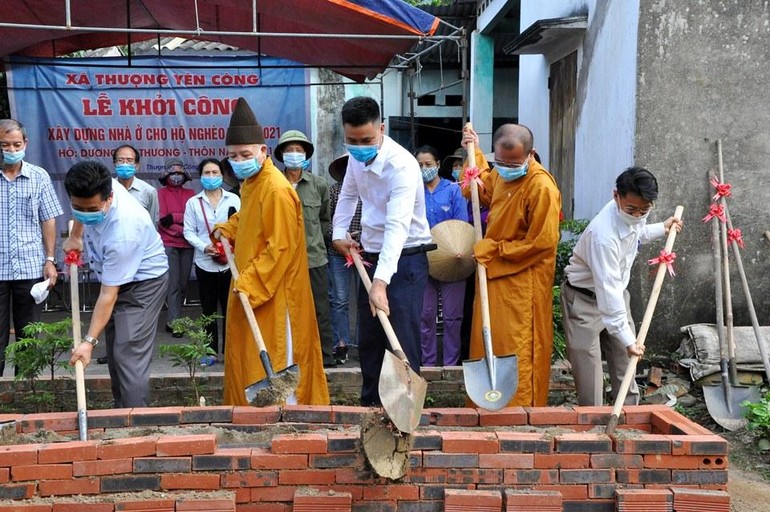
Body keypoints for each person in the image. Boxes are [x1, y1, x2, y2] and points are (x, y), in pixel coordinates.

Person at [213, 97, 329, 406]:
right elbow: (250, 220)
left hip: (275, 294)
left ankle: (284, 418)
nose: (239, 160)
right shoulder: (253, 182)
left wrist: (249, 283)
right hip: (253, 287)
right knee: (248, 354)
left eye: (246, 154)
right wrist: (227, 229)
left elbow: (279, 248)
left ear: (263, 151)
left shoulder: (276, 189)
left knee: (278, 354)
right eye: (233, 156)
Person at [331, 96, 433, 407]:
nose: (359, 146)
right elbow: (348, 195)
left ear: (382, 129)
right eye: (352, 140)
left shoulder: (401, 165)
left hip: (406, 259)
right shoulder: (354, 159)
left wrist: (381, 283)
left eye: (366, 139)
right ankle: (372, 408)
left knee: (400, 337)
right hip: (371, 256)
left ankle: (404, 410)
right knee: (371, 341)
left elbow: (397, 227)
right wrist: (338, 235)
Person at [562, 167, 683, 406]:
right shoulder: (603, 237)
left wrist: (662, 228)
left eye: (644, 210)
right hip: (584, 301)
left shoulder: (633, 214)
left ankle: (629, 417)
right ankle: (593, 422)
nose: (637, 215)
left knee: (626, 362)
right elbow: (608, 295)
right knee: (589, 367)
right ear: (616, 196)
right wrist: (629, 340)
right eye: (632, 209)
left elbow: (635, 232)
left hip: (616, 295)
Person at [460, 124, 561, 407]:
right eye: (500, 163)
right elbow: (479, 190)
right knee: (488, 340)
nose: (505, 169)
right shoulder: (502, 173)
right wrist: (474, 153)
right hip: (493, 275)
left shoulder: (541, 187)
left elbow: (542, 243)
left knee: (518, 348)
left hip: (521, 280)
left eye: (513, 164)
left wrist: (493, 250)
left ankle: (520, 411)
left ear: (531, 155)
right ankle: (485, 407)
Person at [66, 161, 168, 408]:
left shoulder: (125, 229)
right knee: (115, 354)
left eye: (92, 209)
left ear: (109, 198)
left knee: (127, 353)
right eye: (78, 208)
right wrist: (75, 235)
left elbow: (108, 296)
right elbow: (82, 210)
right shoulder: (97, 183)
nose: (84, 213)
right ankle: (121, 414)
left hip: (143, 284)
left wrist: (88, 342)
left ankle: (137, 424)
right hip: (113, 277)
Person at [0, 119, 63, 376]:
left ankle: (25, 389)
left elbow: (48, 219)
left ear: (26, 143)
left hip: (30, 266)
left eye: (16, 144)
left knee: (29, 335)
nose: (12, 149)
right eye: (5, 145)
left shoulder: (39, 176)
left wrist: (50, 259)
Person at [274, 130, 336, 368]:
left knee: (320, 308)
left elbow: (323, 219)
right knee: (285, 312)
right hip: (282, 261)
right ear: (281, 154)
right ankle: (290, 358)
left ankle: (325, 357)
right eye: (289, 150)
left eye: (299, 150)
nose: (294, 155)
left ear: (306, 155)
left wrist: (312, 242)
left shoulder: (319, 185)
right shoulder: (274, 184)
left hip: (313, 258)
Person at [415, 145, 469, 366]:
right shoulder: (413, 191)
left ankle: (451, 364)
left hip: (453, 259)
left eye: (428, 164)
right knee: (424, 315)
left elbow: (462, 225)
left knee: (452, 317)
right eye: (419, 165)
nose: (424, 168)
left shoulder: (453, 190)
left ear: (437, 165)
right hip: (422, 260)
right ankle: (427, 364)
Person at [183, 158, 241, 363]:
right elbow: (188, 232)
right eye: (207, 173)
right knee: (208, 309)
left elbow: (241, 228)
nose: (211, 177)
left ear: (222, 175)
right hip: (204, 262)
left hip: (230, 263)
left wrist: (231, 248)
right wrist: (204, 246)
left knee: (230, 309)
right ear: (200, 176)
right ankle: (210, 352)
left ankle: (231, 351)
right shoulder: (193, 203)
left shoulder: (234, 200)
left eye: (215, 173)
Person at [325, 155, 363, 364]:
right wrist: (339, 237)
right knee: (339, 299)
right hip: (339, 251)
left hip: (365, 250)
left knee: (364, 298)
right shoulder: (334, 191)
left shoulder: (370, 190)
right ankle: (341, 343)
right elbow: (326, 221)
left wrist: (362, 237)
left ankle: (361, 344)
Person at [158, 158, 195, 336]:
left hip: (188, 244)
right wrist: (182, 229)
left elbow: (191, 217)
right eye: (173, 173)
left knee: (182, 284)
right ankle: (175, 323)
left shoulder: (191, 194)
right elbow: (162, 221)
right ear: (166, 175)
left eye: (180, 173)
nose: (177, 176)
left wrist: (175, 217)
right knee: (172, 284)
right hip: (169, 244)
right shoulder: (161, 194)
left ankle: (174, 318)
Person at [112, 144, 159, 224]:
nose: (125, 164)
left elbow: (153, 223)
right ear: (115, 164)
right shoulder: (106, 189)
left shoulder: (149, 191)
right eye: (120, 160)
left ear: (136, 166)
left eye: (129, 160)